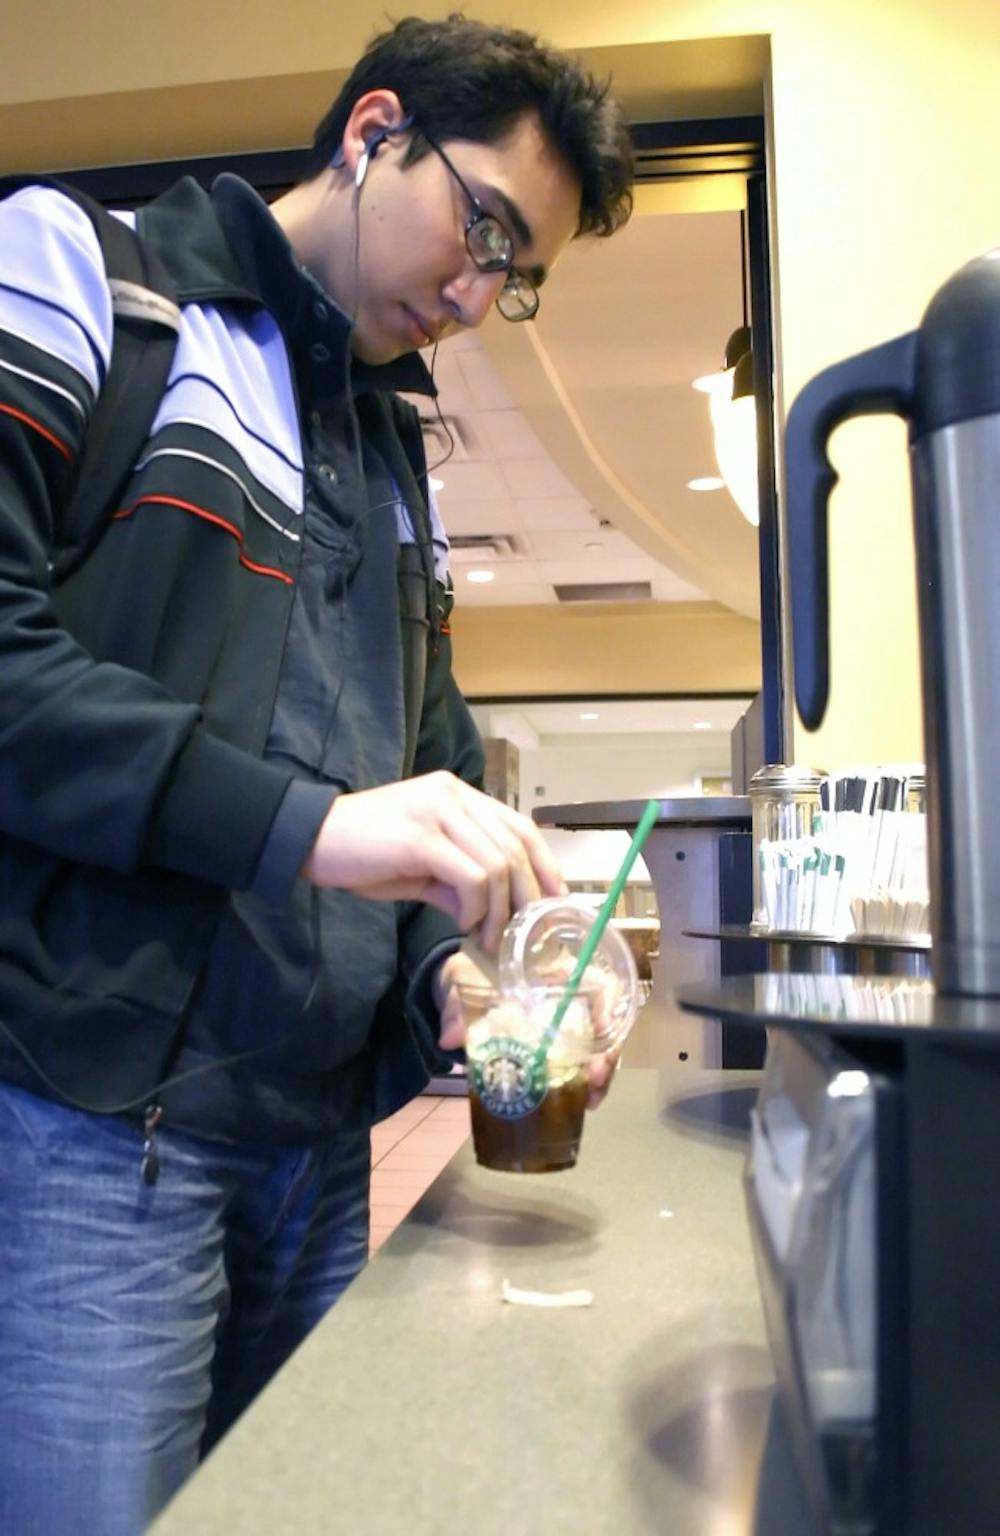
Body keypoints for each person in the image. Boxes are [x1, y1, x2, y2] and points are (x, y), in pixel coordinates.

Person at [0, 13, 634, 1532]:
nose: (482, 296)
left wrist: (455, 983)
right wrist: (314, 825)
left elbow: (426, 761)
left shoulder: (396, 449)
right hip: (98, 1141)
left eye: (520, 273)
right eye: (482, 229)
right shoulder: (86, 276)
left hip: (317, 1153)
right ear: (372, 134)